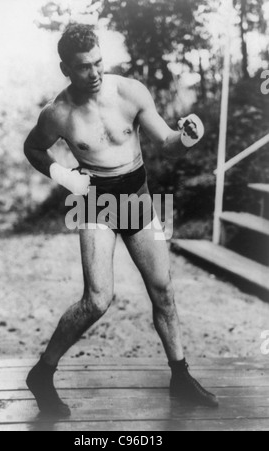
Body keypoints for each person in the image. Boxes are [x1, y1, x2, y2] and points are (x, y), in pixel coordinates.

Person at [24, 23, 219, 417]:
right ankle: (42, 374)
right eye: (83, 67)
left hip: (137, 195)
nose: (94, 73)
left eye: (98, 63)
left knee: (163, 289)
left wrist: (186, 138)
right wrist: (63, 175)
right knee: (97, 300)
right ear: (66, 68)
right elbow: (32, 147)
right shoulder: (58, 113)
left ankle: (180, 376)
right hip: (94, 200)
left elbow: (168, 144)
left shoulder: (129, 91)